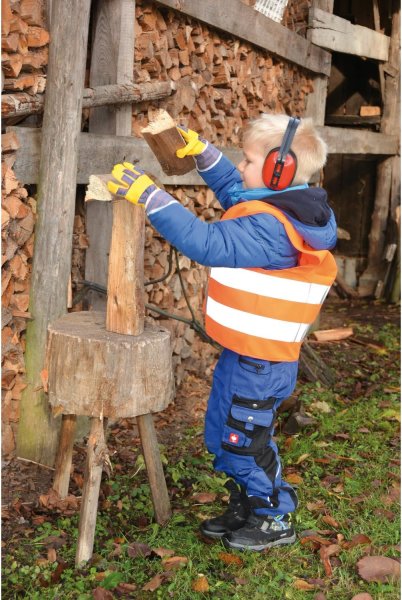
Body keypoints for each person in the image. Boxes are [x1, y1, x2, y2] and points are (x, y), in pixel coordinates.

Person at [107, 113, 337, 552]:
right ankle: (246, 504)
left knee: (245, 443)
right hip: (248, 355)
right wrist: (204, 155)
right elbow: (237, 191)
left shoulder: (274, 229)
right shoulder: (284, 204)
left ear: (279, 169)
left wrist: (150, 197)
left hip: (261, 364)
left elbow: (206, 242)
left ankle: (274, 515)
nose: (242, 167)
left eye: (247, 160)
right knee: (223, 435)